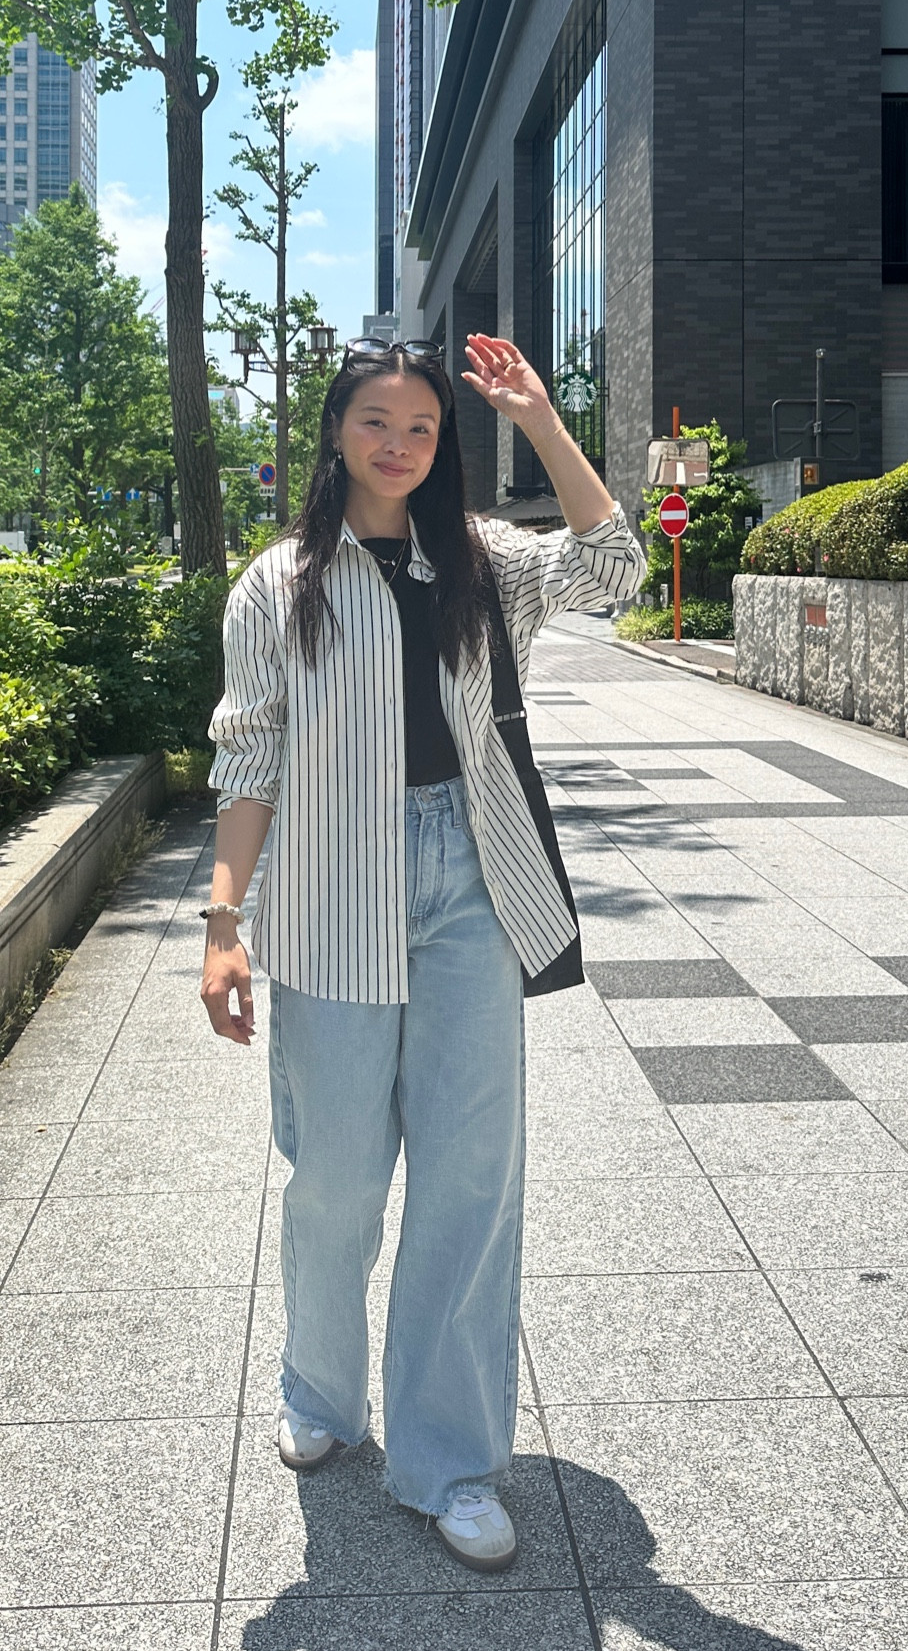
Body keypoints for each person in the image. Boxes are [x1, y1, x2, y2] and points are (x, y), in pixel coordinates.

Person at [202, 333, 643, 1572]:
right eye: (377, 422)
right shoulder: (279, 581)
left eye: (423, 428)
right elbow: (248, 762)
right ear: (336, 429)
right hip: (334, 888)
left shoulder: (481, 562)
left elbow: (615, 564)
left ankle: (449, 1458)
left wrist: (544, 423)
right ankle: (323, 1391)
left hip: (469, 881)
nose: (399, 446)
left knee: (468, 1177)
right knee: (335, 1176)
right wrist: (222, 925)